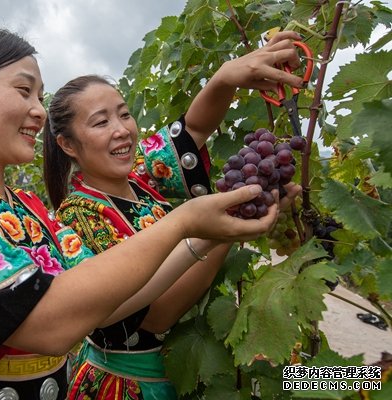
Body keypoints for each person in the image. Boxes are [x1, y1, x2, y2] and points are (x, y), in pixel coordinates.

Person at [0, 28, 280, 400]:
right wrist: (185, 224)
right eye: (24, 91)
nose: (39, 110)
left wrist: (203, 232)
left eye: (40, 97)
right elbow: (47, 326)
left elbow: (115, 302)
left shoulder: (29, 213)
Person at [43, 31, 304, 399]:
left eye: (124, 114)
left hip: (186, 370)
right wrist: (223, 231)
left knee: (339, 377)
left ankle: (365, 378)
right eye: (101, 123)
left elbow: (192, 130)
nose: (121, 130)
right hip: (132, 386)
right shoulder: (78, 217)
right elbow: (156, 315)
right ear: (67, 144)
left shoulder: (141, 178)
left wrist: (226, 77)